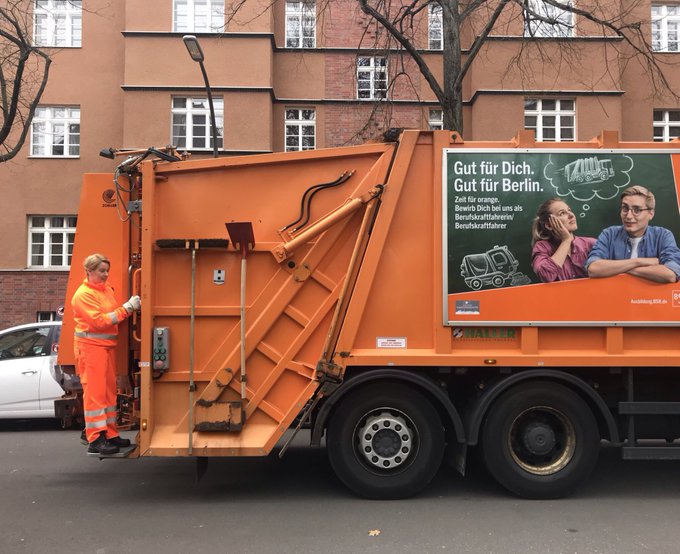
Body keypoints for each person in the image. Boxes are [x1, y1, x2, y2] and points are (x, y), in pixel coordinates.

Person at [71, 253, 140, 455]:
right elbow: (100, 321)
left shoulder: (105, 290)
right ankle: (95, 439)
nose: (106, 274)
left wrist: (125, 308)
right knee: (95, 395)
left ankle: (110, 434)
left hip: (104, 348)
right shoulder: (83, 294)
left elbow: (108, 316)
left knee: (108, 393)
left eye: (107, 270)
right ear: (89, 271)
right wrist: (127, 308)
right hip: (90, 348)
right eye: (102, 271)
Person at [586, 185, 680, 283]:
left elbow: (670, 274)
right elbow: (593, 269)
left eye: (637, 210)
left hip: (650, 297)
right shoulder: (609, 234)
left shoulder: (663, 236)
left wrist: (616, 268)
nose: (629, 216)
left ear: (651, 213)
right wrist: (638, 262)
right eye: (625, 208)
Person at [531, 198, 596, 282]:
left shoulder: (591, 244)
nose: (571, 215)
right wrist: (566, 240)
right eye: (562, 213)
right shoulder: (542, 247)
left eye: (569, 210)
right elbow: (546, 275)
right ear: (549, 225)